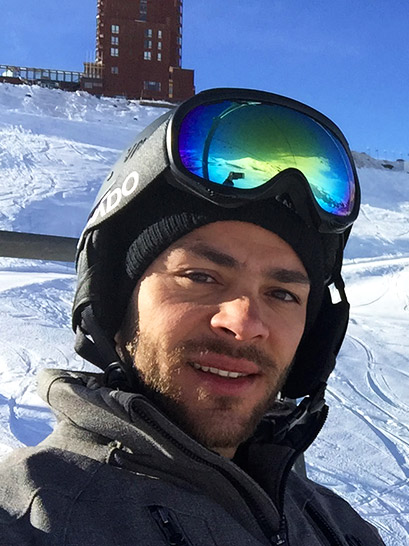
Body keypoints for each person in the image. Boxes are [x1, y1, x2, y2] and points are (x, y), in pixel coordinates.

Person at [0, 88, 386, 545]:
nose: (244, 322)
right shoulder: (33, 517)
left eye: (282, 293)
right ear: (112, 304)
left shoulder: (336, 525)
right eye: (200, 276)